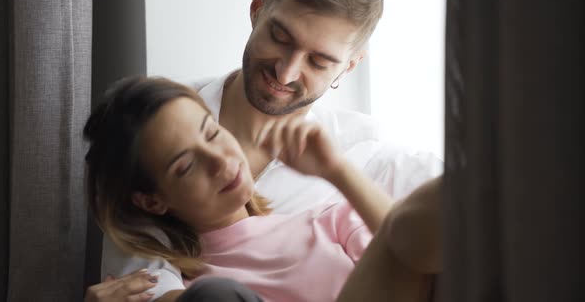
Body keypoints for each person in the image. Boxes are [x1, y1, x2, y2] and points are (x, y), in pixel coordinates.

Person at [92, 0, 443, 300]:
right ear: (257, 7)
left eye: (318, 61)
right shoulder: (164, 122)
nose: (286, 72)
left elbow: (444, 238)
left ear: (349, 64)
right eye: (280, 36)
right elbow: (145, 281)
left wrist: (337, 172)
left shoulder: (366, 157)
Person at [84, 76, 442, 302]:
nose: (223, 161)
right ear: (153, 200)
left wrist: (337, 172)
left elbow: (418, 257)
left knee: (428, 207)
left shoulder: (330, 221)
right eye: (187, 165)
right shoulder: (187, 290)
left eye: (211, 132)